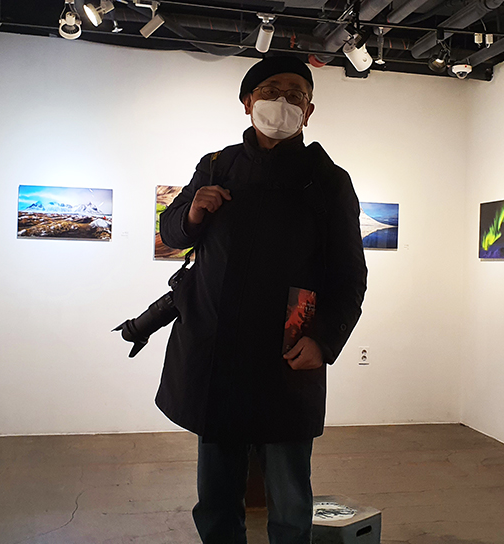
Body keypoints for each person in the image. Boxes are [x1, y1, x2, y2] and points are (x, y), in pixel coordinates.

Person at [157, 55, 368, 544]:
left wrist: (324, 339)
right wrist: (192, 212)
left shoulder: (328, 179)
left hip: (287, 354)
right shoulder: (217, 165)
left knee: (290, 498)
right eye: (271, 91)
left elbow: (349, 274)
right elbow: (172, 233)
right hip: (219, 351)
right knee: (216, 495)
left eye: (296, 95)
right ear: (247, 102)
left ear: (309, 111)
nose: (282, 102)